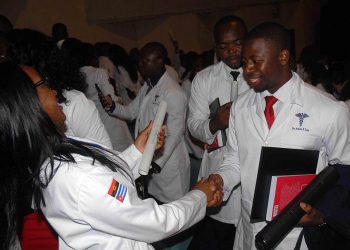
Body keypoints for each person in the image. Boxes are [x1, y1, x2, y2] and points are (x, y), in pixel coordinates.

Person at [0, 61, 223, 250]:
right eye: (43, 85)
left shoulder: (56, 151)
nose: (54, 91)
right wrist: (199, 196)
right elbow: (156, 222)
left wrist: (138, 150)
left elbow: (104, 178)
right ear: (27, 103)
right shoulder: (76, 178)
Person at [209, 22, 350, 249]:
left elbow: (345, 170)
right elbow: (235, 158)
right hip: (249, 231)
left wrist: (322, 213)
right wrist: (220, 180)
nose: (248, 70)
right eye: (245, 62)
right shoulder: (240, 107)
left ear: (283, 57)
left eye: (256, 61)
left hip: (299, 234)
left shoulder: (329, 110)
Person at [187, 15, 249, 250]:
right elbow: (193, 125)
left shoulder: (260, 76)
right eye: (224, 46)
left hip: (252, 169)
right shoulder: (204, 79)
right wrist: (214, 123)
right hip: (218, 167)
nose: (232, 51)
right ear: (216, 48)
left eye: (237, 43)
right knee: (218, 235)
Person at [102, 41, 190, 204]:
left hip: (166, 164)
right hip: (149, 162)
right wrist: (112, 107)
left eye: (145, 61)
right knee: (155, 210)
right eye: (140, 61)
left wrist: (155, 163)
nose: (140, 65)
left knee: (174, 215)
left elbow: (175, 133)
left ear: (159, 61)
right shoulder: (147, 86)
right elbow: (131, 112)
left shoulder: (173, 92)